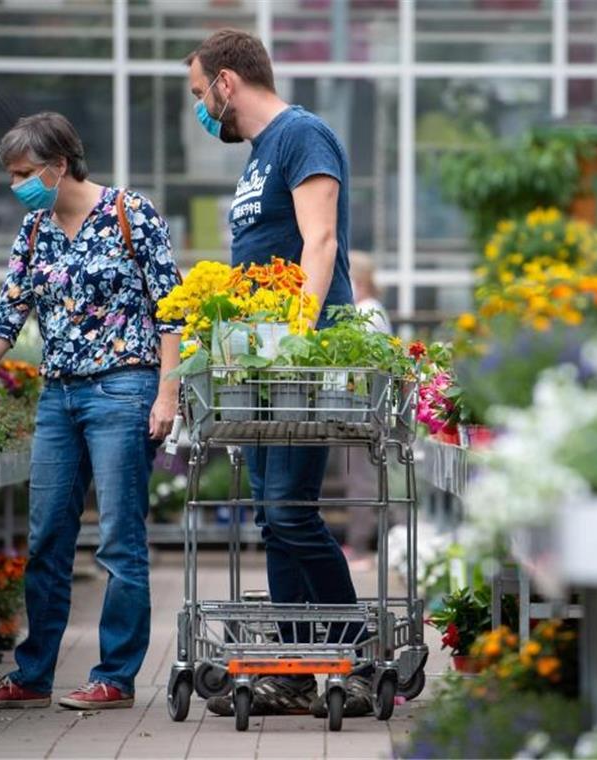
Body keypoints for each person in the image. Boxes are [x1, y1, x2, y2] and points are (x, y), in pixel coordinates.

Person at [0, 112, 184, 711]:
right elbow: (5, 319)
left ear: (59, 166)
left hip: (123, 389)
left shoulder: (131, 215)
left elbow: (172, 310)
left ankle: (115, 677)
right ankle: (33, 676)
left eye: (25, 173)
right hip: (58, 396)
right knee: (48, 537)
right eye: (11, 175)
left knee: (118, 540)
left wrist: (168, 393)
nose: (17, 186)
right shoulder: (34, 230)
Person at [185, 28, 374, 718]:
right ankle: (295, 670)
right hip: (263, 362)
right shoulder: (261, 155)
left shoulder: (302, 135)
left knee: (292, 510)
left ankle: (358, 661)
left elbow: (320, 240)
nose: (202, 110)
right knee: (274, 515)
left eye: (202, 94)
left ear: (228, 82)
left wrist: (295, 338)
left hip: (303, 356)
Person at [341, 251, 391, 570]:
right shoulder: (373, 311)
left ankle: (360, 548)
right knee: (363, 477)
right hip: (363, 407)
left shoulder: (367, 313)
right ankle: (359, 545)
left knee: (361, 479)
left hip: (363, 408)